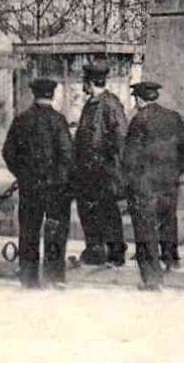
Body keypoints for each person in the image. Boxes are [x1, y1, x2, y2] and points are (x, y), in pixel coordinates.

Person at [121, 80, 184, 291]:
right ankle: (171, 261)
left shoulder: (139, 120)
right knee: (167, 222)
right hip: (169, 182)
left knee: (145, 231)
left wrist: (130, 181)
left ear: (138, 99)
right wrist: (177, 170)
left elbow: (129, 158)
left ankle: (152, 279)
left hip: (145, 185)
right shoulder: (173, 117)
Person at [2, 77, 74, 289]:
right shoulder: (58, 120)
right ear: (52, 95)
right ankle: (54, 277)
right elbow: (67, 153)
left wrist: (22, 174)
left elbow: (8, 152)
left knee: (29, 232)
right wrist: (59, 178)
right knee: (55, 232)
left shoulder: (22, 120)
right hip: (55, 188)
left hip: (30, 186)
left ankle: (29, 279)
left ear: (34, 95)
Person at [72, 62, 128, 267]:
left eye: (84, 82)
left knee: (108, 212)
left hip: (103, 170)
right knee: (89, 211)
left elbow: (121, 137)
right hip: (88, 169)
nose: (82, 86)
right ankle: (95, 250)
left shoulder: (110, 104)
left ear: (90, 82)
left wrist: (111, 165)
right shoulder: (91, 103)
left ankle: (115, 253)